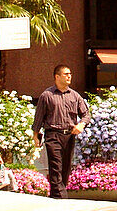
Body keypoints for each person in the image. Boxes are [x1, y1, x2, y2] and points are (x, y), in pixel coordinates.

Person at [32, 64, 89, 199]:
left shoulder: (75, 96)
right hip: (53, 135)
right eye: (66, 74)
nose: (69, 76)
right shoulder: (47, 95)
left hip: (69, 136)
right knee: (55, 165)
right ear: (57, 77)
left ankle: (55, 196)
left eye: (70, 74)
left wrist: (81, 124)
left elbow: (86, 114)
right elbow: (39, 117)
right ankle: (62, 197)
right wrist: (35, 136)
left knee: (66, 168)